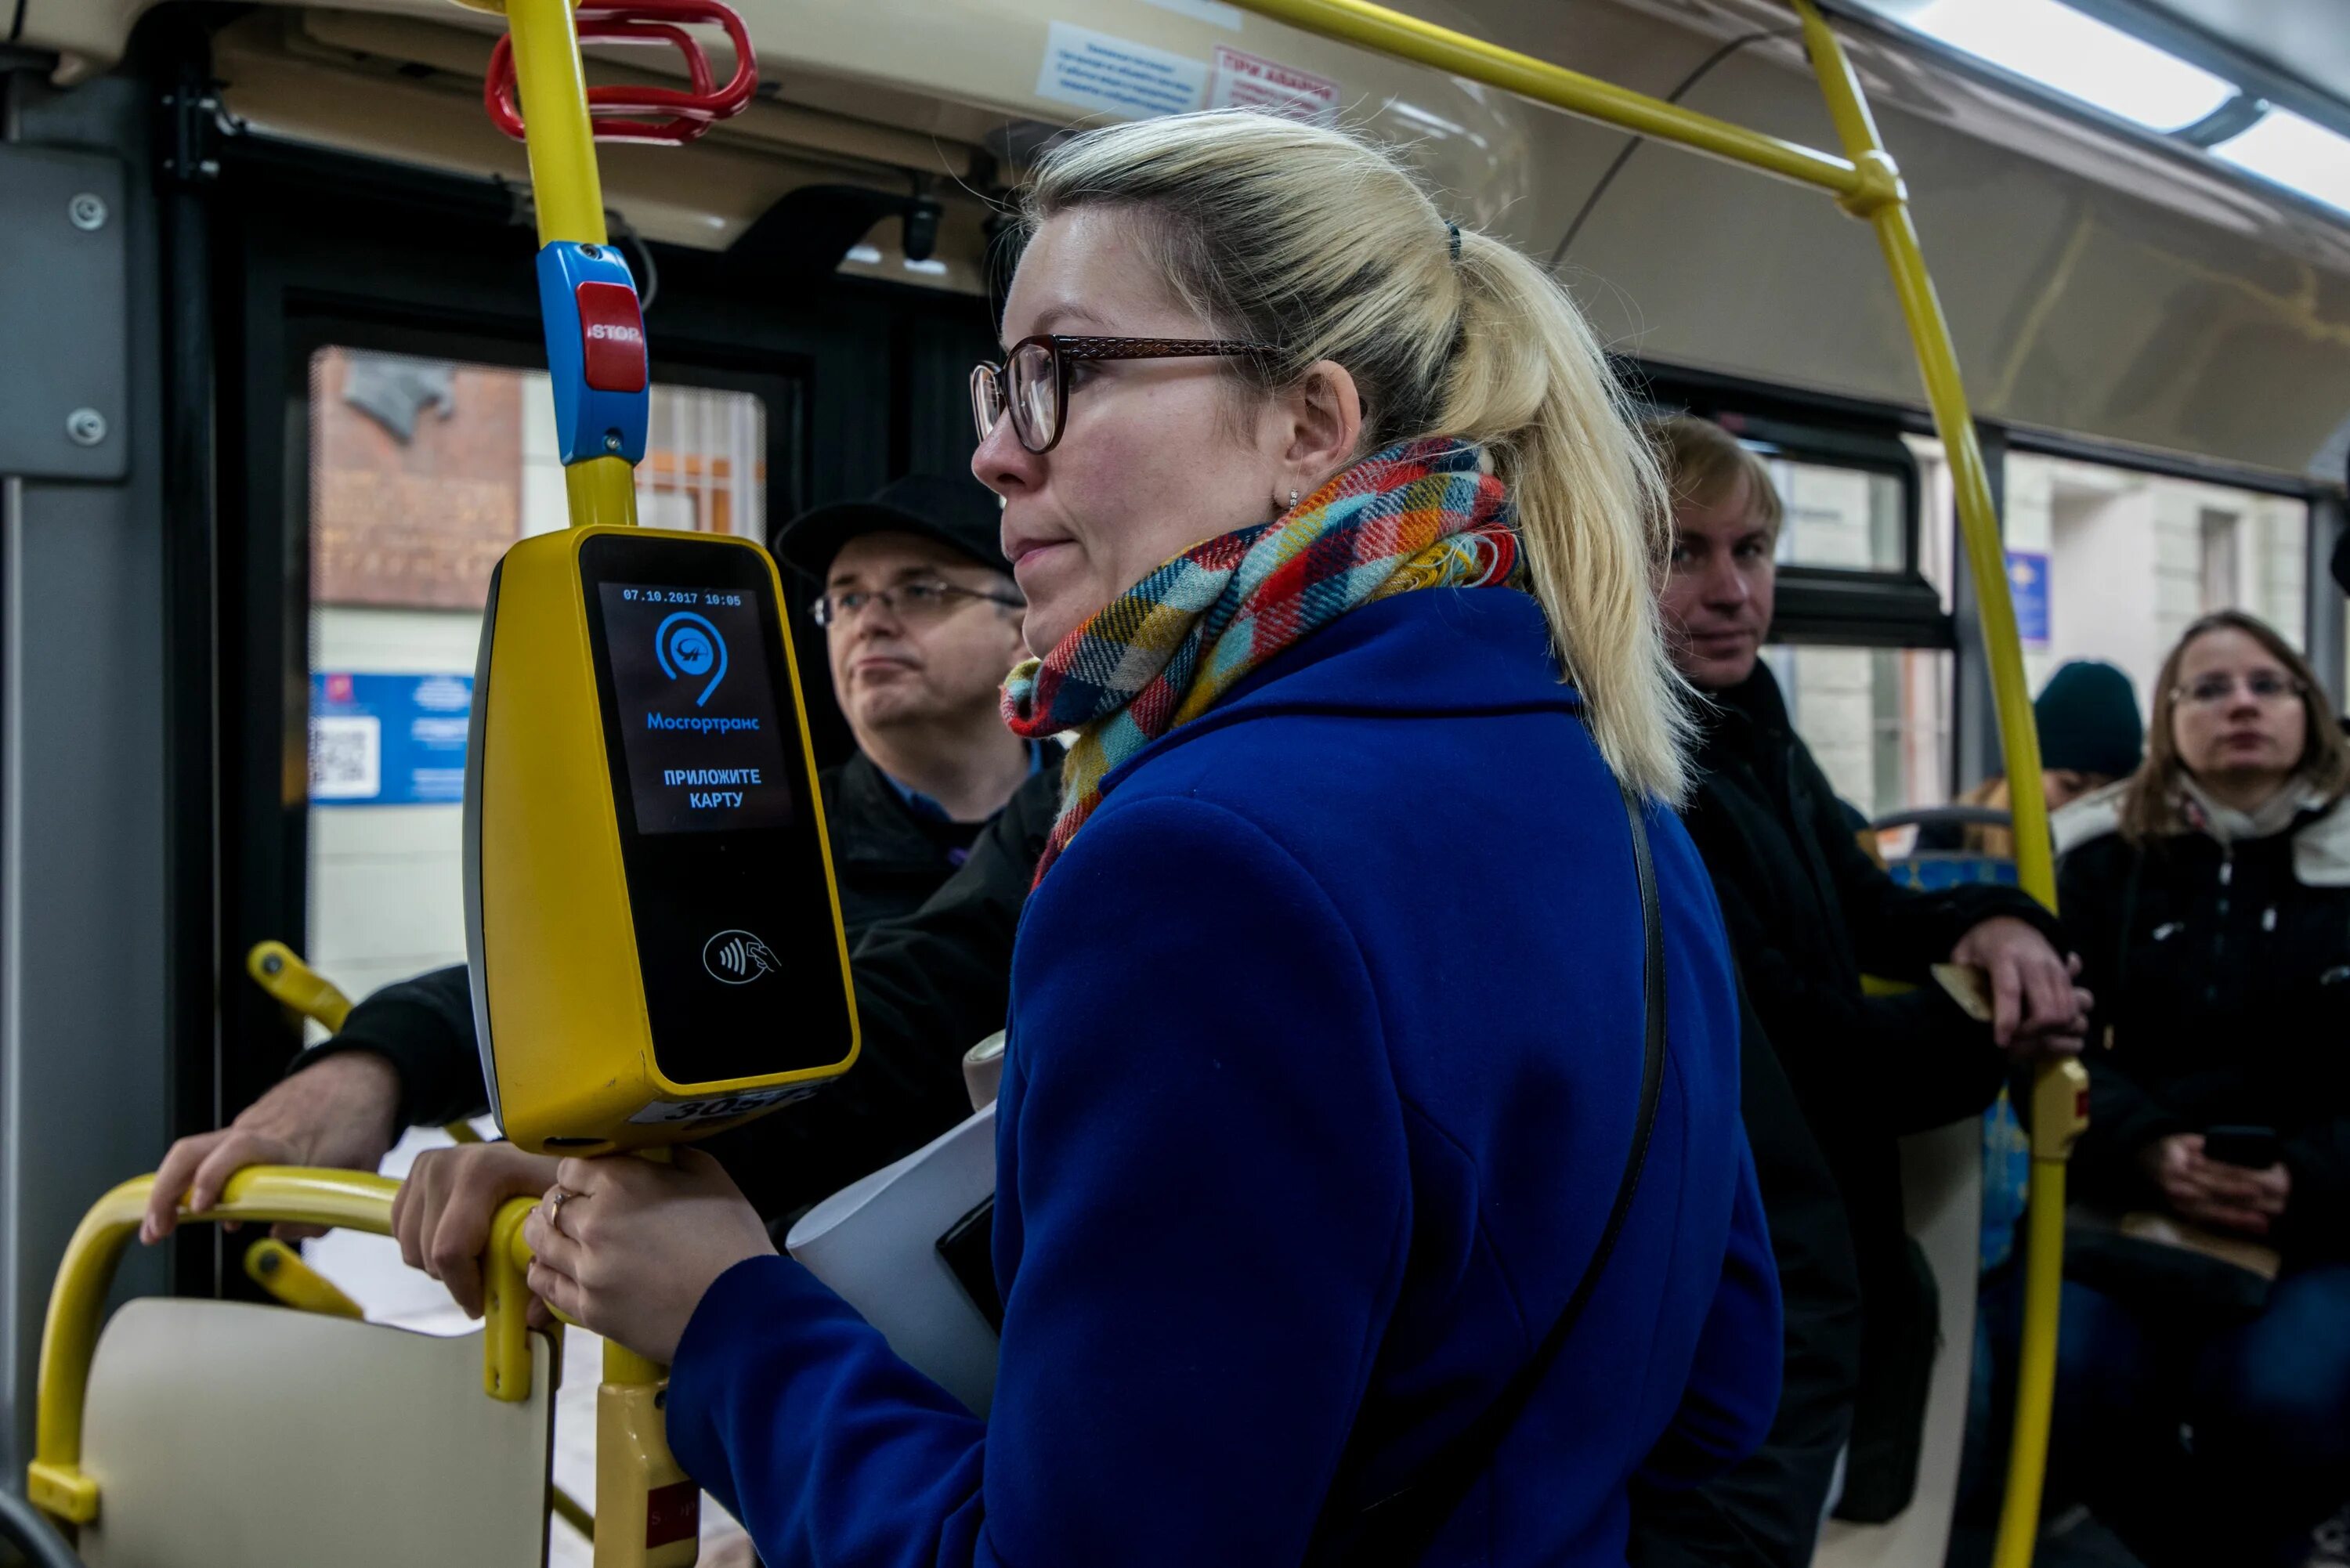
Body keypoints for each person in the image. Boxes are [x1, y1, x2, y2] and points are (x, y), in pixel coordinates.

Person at [515, 110, 1781, 1567]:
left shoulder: (1200, 862)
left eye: (1061, 373)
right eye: (1002, 385)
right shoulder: (1614, 795)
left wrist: (728, 1312)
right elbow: (1717, 1388)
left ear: (1308, 426)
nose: (993, 451)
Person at [141, 476, 1060, 1278]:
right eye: (847, 597)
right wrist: (373, 1065)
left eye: (921, 589)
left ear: (1024, 617)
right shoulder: (754, 820)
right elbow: (586, 977)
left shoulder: (1089, 817)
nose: (870, 617)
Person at [1649, 413, 2089, 1523]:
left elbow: (1865, 903)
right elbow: (1809, 1051)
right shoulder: (1640, 775)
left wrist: (1992, 925)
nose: (1730, 590)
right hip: (1739, 1261)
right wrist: (1999, 1022)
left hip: (1832, 1235)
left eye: (1750, 551)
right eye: (1681, 552)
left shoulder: (1750, 726)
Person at [2043, 609, 2350, 1566]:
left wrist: (2307, 1180)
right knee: (2064, 1370)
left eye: (2267, 684)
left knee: (2283, 1396)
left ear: (2310, 706)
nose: (2242, 706)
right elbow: (2057, 1049)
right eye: (2208, 690)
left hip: (2323, 1211)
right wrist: (2144, 1148)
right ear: (2168, 724)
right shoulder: (2099, 854)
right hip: (2135, 1192)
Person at [1918, 659, 2142, 861]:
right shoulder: (1950, 836)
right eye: (2071, 786)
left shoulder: (2129, 856)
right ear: (2028, 774)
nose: (2084, 807)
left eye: (2108, 797)